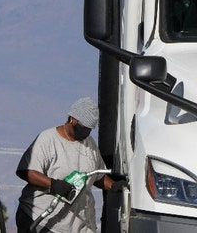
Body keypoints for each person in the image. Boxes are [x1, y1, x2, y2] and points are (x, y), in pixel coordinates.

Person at [15, 97, 125, 233]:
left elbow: (97, 175)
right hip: (44, 221)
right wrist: (53, 184)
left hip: (77, 226)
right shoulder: (48, 139)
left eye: (90, 129)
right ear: (72, 119)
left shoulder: (89, 144)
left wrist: (113, 186)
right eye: (83, 128)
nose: (86, 133)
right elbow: (26, 171)